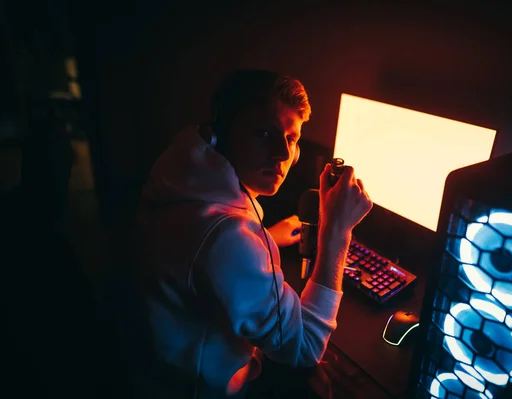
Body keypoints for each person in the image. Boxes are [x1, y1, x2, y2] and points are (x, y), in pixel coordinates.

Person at [129, 69, 372, 398]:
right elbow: (304, 348)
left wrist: (266, 234)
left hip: (163, 365)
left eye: (290, 138)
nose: (283, 155)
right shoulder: (228, 237)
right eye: (263, 134)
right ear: (222, 135)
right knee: (320, 383)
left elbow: (206, 254)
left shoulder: (182, 179)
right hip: (205, 390)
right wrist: (337, 232)